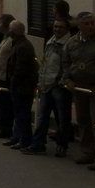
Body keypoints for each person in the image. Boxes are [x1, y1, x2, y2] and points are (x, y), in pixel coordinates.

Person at [62, 11, 95, 171]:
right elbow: (65, 63)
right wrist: (68, 79)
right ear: (79, 26)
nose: (91, 26)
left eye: (92, 23)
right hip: (79, 88)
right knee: (83, 121)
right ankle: (87, 152)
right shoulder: (72, 43)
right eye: (86, 23)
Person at [22, 19, 71, 157]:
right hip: (46, 86)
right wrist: (40, 80)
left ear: (66, 28)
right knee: (42, 116)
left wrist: (61, 81)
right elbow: (45, 62)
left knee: (62, 118)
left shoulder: (69, 44)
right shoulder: (51, 41)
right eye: (55, 26)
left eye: (61, 27)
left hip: (59, 87)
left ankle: (62, 145)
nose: (57, 29)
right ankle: (38, 144)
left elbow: (67, 66)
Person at [3, 21, 37, 150]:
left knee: (23, 114)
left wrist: (13, 81)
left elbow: (20, 69)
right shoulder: (18, 44)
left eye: (11, 30)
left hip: (22, 87)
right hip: (20, 86)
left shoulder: (23, 46)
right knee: (19, 114)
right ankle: (17, 137)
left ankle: (25, 139)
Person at [0, 13, 15, 139]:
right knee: (1, 103)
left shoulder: (11, 41)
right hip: (0, 76)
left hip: (6, 77)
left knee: (6, 104)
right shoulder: (5, 38)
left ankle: (7, 129)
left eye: (0, 22)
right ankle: (3, 127)